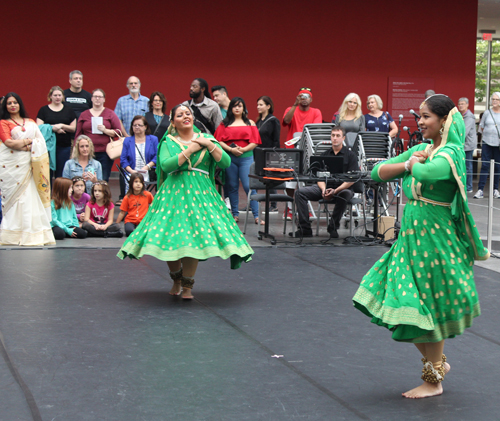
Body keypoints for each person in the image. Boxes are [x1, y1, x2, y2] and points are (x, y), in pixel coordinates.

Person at [352, 94, 489, 399]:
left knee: (429, 306)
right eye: (420, 116)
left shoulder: (450, 153)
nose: (421, 122)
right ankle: (438, 365)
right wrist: (409, 162)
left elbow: (427, 173)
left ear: (444, 121)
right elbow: (378, 172)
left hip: (437, 243)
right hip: (411, 242)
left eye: (427, 117)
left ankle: (433, 379)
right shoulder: (425, 149)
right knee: (404, 307)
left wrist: (411, 164)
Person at [118, 104, 253, 300]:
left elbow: (225, 162)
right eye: (180, 115)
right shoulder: (168, 142)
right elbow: (166, 165)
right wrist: (190, 149)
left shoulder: (207, 139)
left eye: (188, 113)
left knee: (193, 239)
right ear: (173, 122)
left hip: (201, 196)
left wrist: (208, 144)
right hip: (173, 196)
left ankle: (188, 285)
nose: (185, 117)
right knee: (171, 238)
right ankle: (176, 278)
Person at [0, 93, 55, 246]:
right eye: (9, 103)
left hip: (30, 166)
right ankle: (12, 236)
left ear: (20, 104)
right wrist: (31, 143)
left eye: (15, 102)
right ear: (5, 106)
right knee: (17, 199)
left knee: (31, 198)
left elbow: (41, 142)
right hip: (12, 168)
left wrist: (24, 144)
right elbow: (9, 143)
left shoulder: (30, 122)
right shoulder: (3, 122)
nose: (12, 105)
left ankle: (32, 234)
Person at [289, 126, 358, 238]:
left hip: (342, 188)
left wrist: (335, 191)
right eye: (333, 135)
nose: (335, 138)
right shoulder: (324, 155)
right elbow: (319, 177)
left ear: (343, 138)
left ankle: (333, 227)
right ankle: (305, 229)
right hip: (325, 187)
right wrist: (324, 189)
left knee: (345, 194)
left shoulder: (351, 156)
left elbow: (352, 179)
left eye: (338, 136)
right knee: (299, 193)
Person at [214, 97, 262, 223]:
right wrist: (231, 150)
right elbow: (219, 140)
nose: (236, 108)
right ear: (230, 108)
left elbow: (255, 141)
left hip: (246, 157)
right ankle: (235, 214)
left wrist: (243, 149)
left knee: (248, 186)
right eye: (234, 106)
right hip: (230, 158)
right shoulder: (224, 123)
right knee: (232, 186)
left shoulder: (250, 123)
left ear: (244, 108)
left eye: (239, 106)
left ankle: (257, 215)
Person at [282, 87, 323, 219]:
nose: (304, 99)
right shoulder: (290, 109)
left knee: (306, 181)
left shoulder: (316, 112)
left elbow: (315, 129)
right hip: (292, 150)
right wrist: (295, 104)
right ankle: (289, 209)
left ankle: (305, 208)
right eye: (301, 97)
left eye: (307, 97)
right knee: (290, 181)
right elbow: (286, 121)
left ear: (311, 99)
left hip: (308, 151)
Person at [74, 89, 122, 181]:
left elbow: (119, 131)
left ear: (104, 99)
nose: (97, 99)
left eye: (100, 97)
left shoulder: (110, 113)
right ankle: (88, 195)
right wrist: (76, 149)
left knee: (103, 178)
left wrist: (105, 130)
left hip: (105, 152)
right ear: (91, 99)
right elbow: (78, 134)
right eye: (95, 96)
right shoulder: (84, 114)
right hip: (87, 152)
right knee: (87, 177)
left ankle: (102, 195)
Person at [36, 86, 77, 177]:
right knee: (47, 173)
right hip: (47, 147)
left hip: (64, 146)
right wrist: (53, 128)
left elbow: (73, 128)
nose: (57, 97)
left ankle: (60, 191)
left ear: (63, 96)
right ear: (50, 96)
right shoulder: (43, 110)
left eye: (59, 95)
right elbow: (38, 127)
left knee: (61, 173)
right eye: (55, 95)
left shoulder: (69, 110)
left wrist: (62, 125)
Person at [256, 95, 281, 214]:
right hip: (258, 153)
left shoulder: (273, 120)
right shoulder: (258, 121)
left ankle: (274, 204)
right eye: (258, 105)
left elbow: (276, 140)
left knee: (271, 178)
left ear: (268, 106)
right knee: (256, 176)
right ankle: (253, 205)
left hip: (269, 153)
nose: (258, 107)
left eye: (261, 104)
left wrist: (274, 154)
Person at [474, 92, 500, 199]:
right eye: (493, 99)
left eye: (496, 99)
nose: (494, 101)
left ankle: (495, 190)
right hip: (486, 143)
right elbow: (481, 127)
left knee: (497, 167)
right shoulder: (487, 113)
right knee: (485, 166)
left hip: (498, 145)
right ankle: (480, 190)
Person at [120, 115, 158, 186]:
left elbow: (157, 156)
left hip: (148, 172)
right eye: (134, 125)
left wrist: (147, 167)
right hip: (131, 173)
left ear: (145, 127)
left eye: (140, 125)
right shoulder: (127, 141)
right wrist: (131, 171)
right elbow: (123, 159)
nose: (137, 127)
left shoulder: (153, 139)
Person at [457, 97, 478, 193]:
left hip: (467, 145)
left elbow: (464, 132)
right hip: (463, 145)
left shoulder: (469, 117)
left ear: (467, 105)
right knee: (464, 165)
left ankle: (469, 187)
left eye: (463, 104)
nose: (461, 105)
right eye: (459, 104)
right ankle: (464, 185)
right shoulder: (461, 116)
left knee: (468, 166)